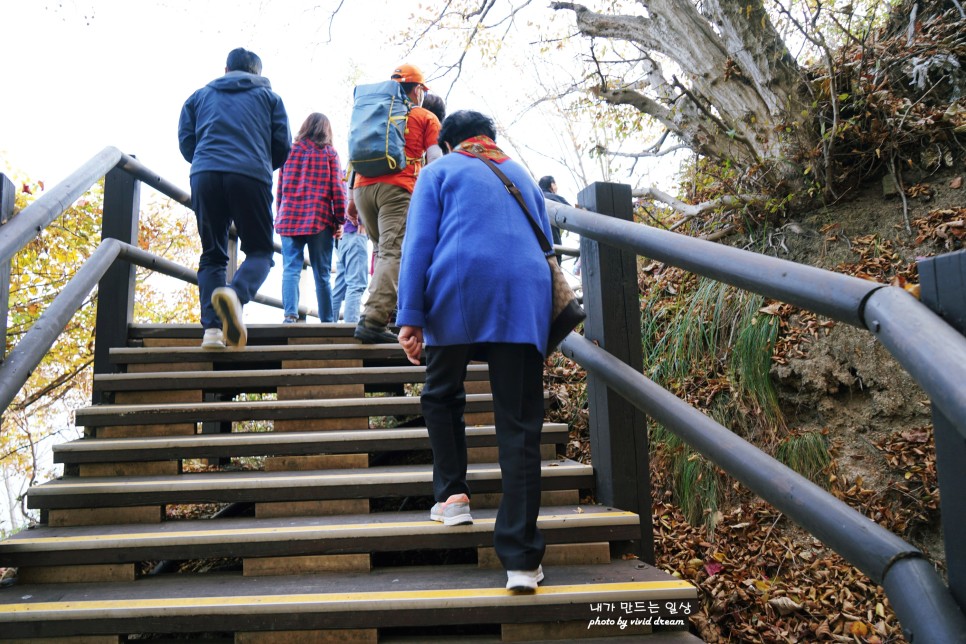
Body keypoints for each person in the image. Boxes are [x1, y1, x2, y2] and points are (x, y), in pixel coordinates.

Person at [396, 110, 553, 593]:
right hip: (525, 294)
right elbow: (548, 240)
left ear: (447, 142)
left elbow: (418, 245)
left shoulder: (439, 171)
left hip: (458, 287)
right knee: (520, 424)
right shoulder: (522, 174)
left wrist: (410, 316)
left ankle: (454, 495)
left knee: (441, 393)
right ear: (490, 137)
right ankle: (522, 561)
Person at [178, 47, 291, 349]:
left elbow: (187, 139)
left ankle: (212, 332)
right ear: (258, 74)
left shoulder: (200, 96)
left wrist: (205, 161)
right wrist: (260, 164)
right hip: (250, 174)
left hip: (204, 173)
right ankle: (236, 294)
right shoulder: (270, 98)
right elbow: (282, 145)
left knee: (213, 254)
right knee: (260, 252)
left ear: (226, 70)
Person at [348, 63, 442, 344]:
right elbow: (436, 161)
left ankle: (390, 312)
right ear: (416, 90)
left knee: (382, 251)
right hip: (398, 190)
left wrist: (351, 197)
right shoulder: (426, 117)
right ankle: (373, 320)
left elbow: (354, 153)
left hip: (364, 189)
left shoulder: (372, 114)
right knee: (394, 253)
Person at [275, 112, 346, 323]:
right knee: (322, 274)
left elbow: (280, 189)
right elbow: (338, 190)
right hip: (319, 220)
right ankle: (327, 322)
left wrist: (279, 215)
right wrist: (339, 220)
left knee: (290, 269)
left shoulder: (289, 152)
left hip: (289, 218)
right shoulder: (329, 154)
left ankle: (289, 316)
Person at [330, 214, 369, 324]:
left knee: (340, 286)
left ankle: (328, 324)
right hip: (355, 233)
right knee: (356, 284)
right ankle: (351, 328)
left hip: (342, 237)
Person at [538, 175, 567, 249]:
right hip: (553, 245)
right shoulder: (553, 198)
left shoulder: (534, 199)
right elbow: (573, 214)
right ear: (552, 185)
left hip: (537, 245)